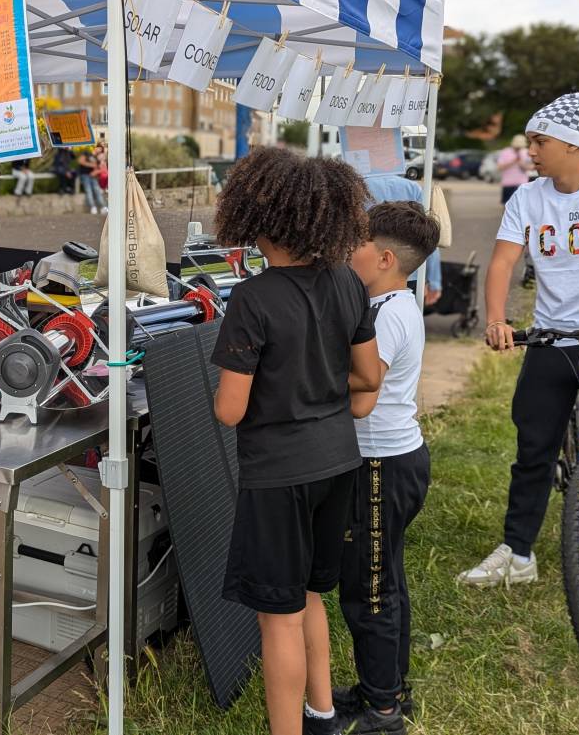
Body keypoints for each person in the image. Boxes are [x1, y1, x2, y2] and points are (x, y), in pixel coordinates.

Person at [211, 146, 381, 735]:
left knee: (277, 617)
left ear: (258, 219)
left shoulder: (252, 298)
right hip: (337, 461)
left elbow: (229, 410)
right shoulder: (347, 281)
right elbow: (369, 377)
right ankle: (323, 712)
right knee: (310, 594)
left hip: (277, 475)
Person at [459, 93, 579, 587]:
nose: (530, 151)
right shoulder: (528, 197)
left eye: (539, 141)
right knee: (534, 447)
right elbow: (502, 263)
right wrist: (496, 320)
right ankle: (519, 554)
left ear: (572, 144)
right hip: (552, 337)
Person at [336, 202, 441, 735]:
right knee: (386, 579)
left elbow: (366, 382)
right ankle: (387, 687)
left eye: (353, 244)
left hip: (379, 465)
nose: (344, 252)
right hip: (391, 460)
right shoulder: (390, 304)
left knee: (368, 590)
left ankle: (382, 710)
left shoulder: (389, 315)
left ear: (381, 258)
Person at [365, 174, 443, 306]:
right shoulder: (412, 187)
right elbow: (425, 235)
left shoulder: (359, 186)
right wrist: (434, 280)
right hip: (408, 270)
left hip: (371, 270)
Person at [497, 134, 534, 205]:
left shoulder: (526, 152)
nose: (518, 149)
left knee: (521, 205)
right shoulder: (505, 152)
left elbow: (531, 167)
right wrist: (513, 161)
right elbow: (499, 167)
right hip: (508, 183)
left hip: (522, 183)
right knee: (506, 205)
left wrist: (521, 163)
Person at [77, 147, 107, 214]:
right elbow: (80, 161)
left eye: (101, 150)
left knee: (97, 190)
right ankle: (92, 207)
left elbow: (100, 168)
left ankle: (102, 207)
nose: (99, 150)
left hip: (93, 176)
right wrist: (91, 165)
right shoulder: (86, 153)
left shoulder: (97, 158)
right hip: (84, 175)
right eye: (99, 148)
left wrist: (95, 172)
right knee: (88, 190)